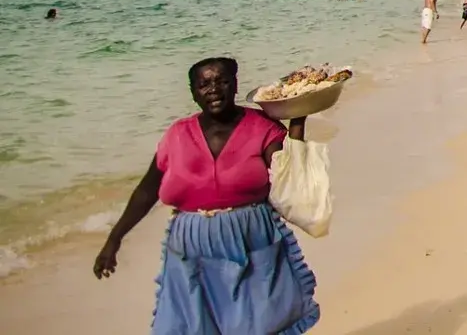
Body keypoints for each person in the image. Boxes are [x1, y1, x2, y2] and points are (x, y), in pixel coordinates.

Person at [93, 57, 321, 333]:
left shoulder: (261, 127)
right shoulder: (177, 134)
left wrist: (299, 118)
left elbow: (290, 176)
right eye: (204, 84)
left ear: (236, 85)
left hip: (251, 240)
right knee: (194, 326)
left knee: (259, 323)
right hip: (191, 249)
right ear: (193, 92)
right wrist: (114, 239)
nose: (214, 89)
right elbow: (146, 190)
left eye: (222, 81)